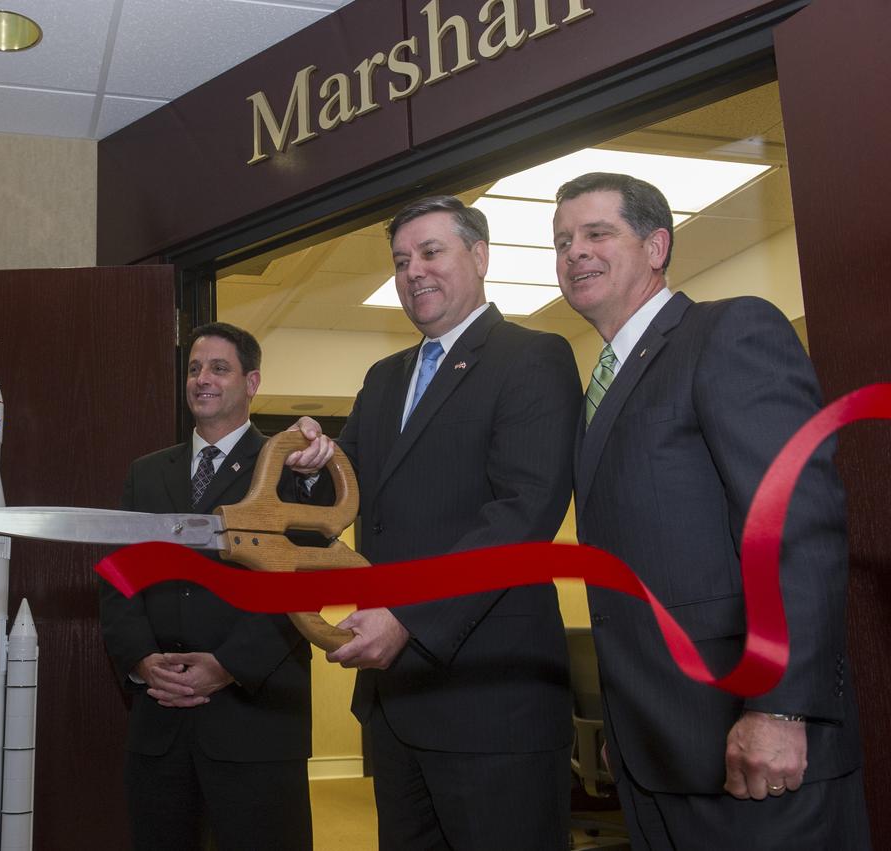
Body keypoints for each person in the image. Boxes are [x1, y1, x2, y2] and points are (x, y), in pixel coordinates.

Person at [552, 171, 869, 848]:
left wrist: (781, 708)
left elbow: (795, 527)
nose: (574, 251)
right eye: (562, 241)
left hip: (756, 750)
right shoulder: (601, 386)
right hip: (658, 754)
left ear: (657, 245)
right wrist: (626, 728)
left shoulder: (728, 331)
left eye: (596, 233)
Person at [288, 196, 582, 849]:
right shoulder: (385, 378)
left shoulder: (532, 357)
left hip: (492, 706)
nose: (413, 270)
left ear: (479, 256)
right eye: (400, 260)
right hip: (395, 703)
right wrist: (309, 460)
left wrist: (410, 616)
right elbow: (350, 488)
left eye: (430, 251)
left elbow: (524, 513)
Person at [99, 322, 313, 851]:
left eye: (219, 368)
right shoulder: (146, 474)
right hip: (161, 718)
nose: (202, 379)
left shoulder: (288, 468)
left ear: (252, 381)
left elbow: (301, 584)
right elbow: (119, 576)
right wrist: (141, 660)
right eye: (194, 369)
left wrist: (228, 666)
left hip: (255, 722)